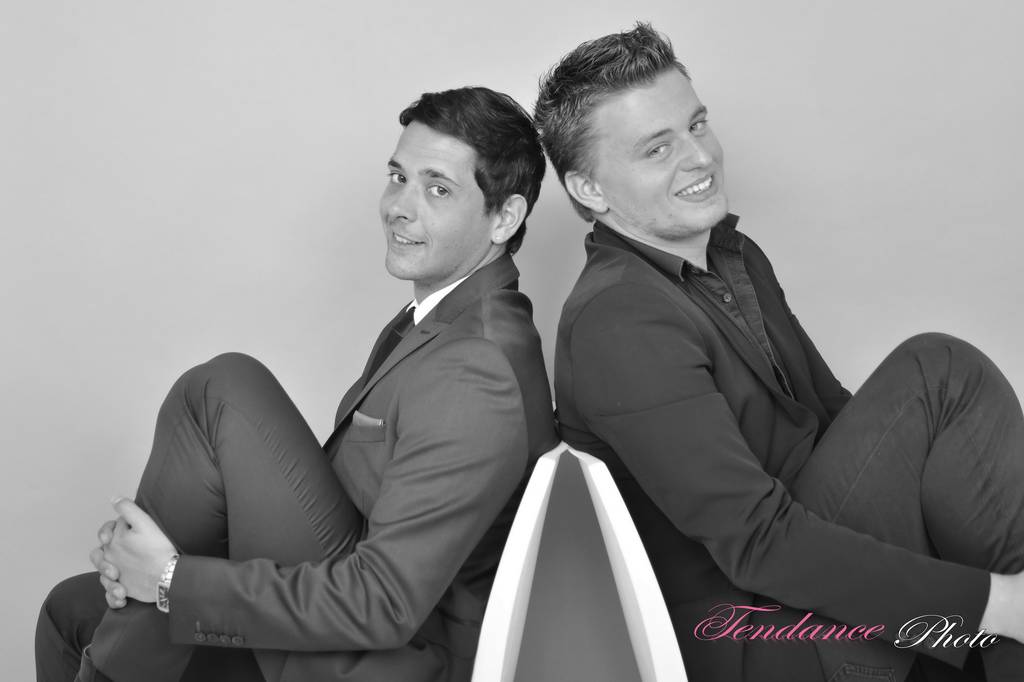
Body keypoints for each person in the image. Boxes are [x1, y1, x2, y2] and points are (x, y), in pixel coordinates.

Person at [536, 23, 1024, 682]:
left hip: (814, 564)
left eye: (696, 125)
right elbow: (755, 542)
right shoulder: (618, 318)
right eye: (658, 148)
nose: (700, 157)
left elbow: (836, 420)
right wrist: (993, 603)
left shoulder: (732, 257)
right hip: (760, 634)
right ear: (590, 190)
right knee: (939, 373)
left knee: (942, 385)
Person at [35, 85, 559, 682]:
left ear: (505, 217)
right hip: (342, 612)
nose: (399, 207)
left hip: (387, 660)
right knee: (70, 608)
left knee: (223, 390)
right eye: (398, 177)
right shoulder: (440, 323)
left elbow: (383, 603)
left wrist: (168, 579)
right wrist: (153, 561)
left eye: (438, 189)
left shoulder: (477, 365)